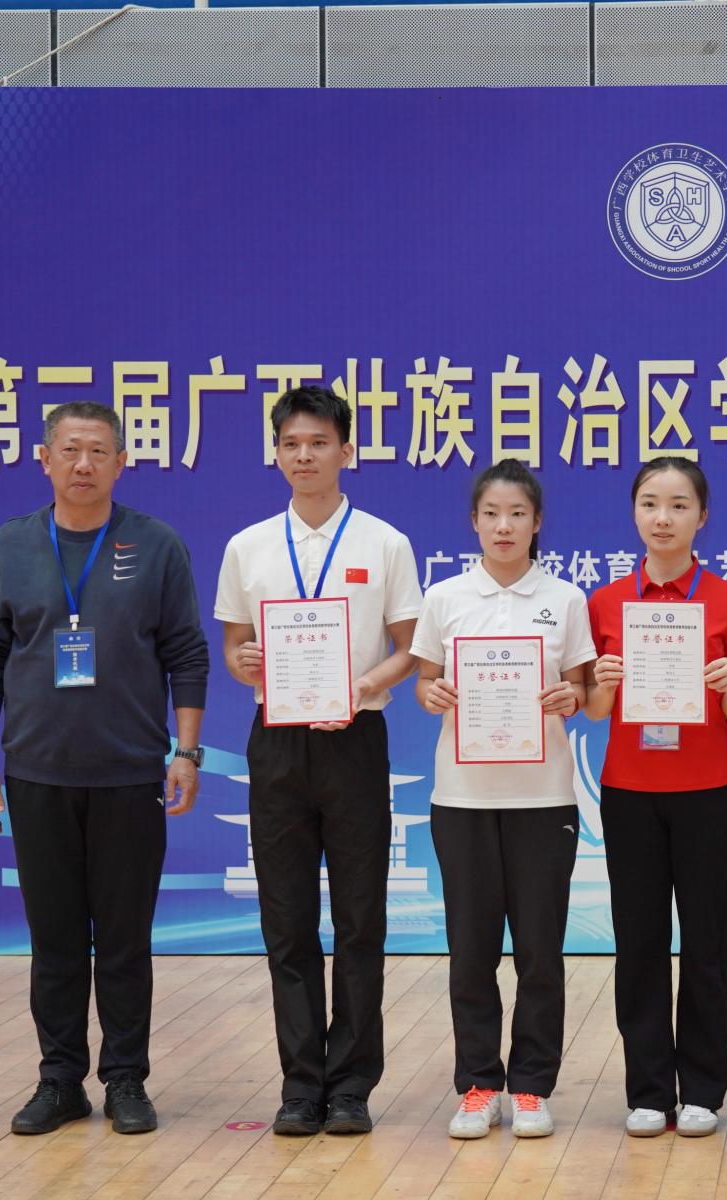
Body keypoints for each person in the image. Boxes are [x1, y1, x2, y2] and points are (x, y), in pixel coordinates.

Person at [0, 401, 209, 1136]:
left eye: (99, 451)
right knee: (56, 943)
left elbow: (187, 653)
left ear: (121, 463)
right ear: (44, 459)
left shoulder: (155, 545)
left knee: (126, 943)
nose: (83, 464)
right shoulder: (10, 548)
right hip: (37, 775)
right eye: (69, 450)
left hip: (130, 776)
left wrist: (186, 751)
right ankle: (60, 1080)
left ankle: (126, 1079)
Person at [215, 385, 423, 1137]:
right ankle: (301, 1085)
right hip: (277, 741)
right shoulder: (247, 546)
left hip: (355, 740)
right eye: (291, 444)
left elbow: (411, 648)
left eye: (319, 443)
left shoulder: (384, 542)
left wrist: (366, 684)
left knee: (361, 920)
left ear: (347, 451)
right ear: (276, 454)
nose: (304, 456)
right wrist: (245, 662)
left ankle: (352, 1086)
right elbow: (235, 648)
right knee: (287, 921)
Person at [411, 459, 596, 1140]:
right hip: (462, 797)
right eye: (491, 513)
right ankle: (479, 1084)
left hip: (543, 798)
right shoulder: (445, 597)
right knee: (471, 949)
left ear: (537, 521)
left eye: (517, 513)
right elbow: (424, 681)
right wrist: (431, 692)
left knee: (540, 952)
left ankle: (531, 1087)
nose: (504, 525)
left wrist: (570, 695)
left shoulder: (566, 600)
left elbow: (584, 690)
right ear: (474, 522)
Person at [584, 458, 727, 1138]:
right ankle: (649, 1090)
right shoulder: (605, 603)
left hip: (708, 790)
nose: (663, 518)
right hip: (629, 791)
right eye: (650, 503)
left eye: (679, 504)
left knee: (708, 941)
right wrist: (602, 681)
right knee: (639, 942)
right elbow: (595, 711)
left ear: (701, 516)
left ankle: (703, 1089)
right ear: (634, 513)